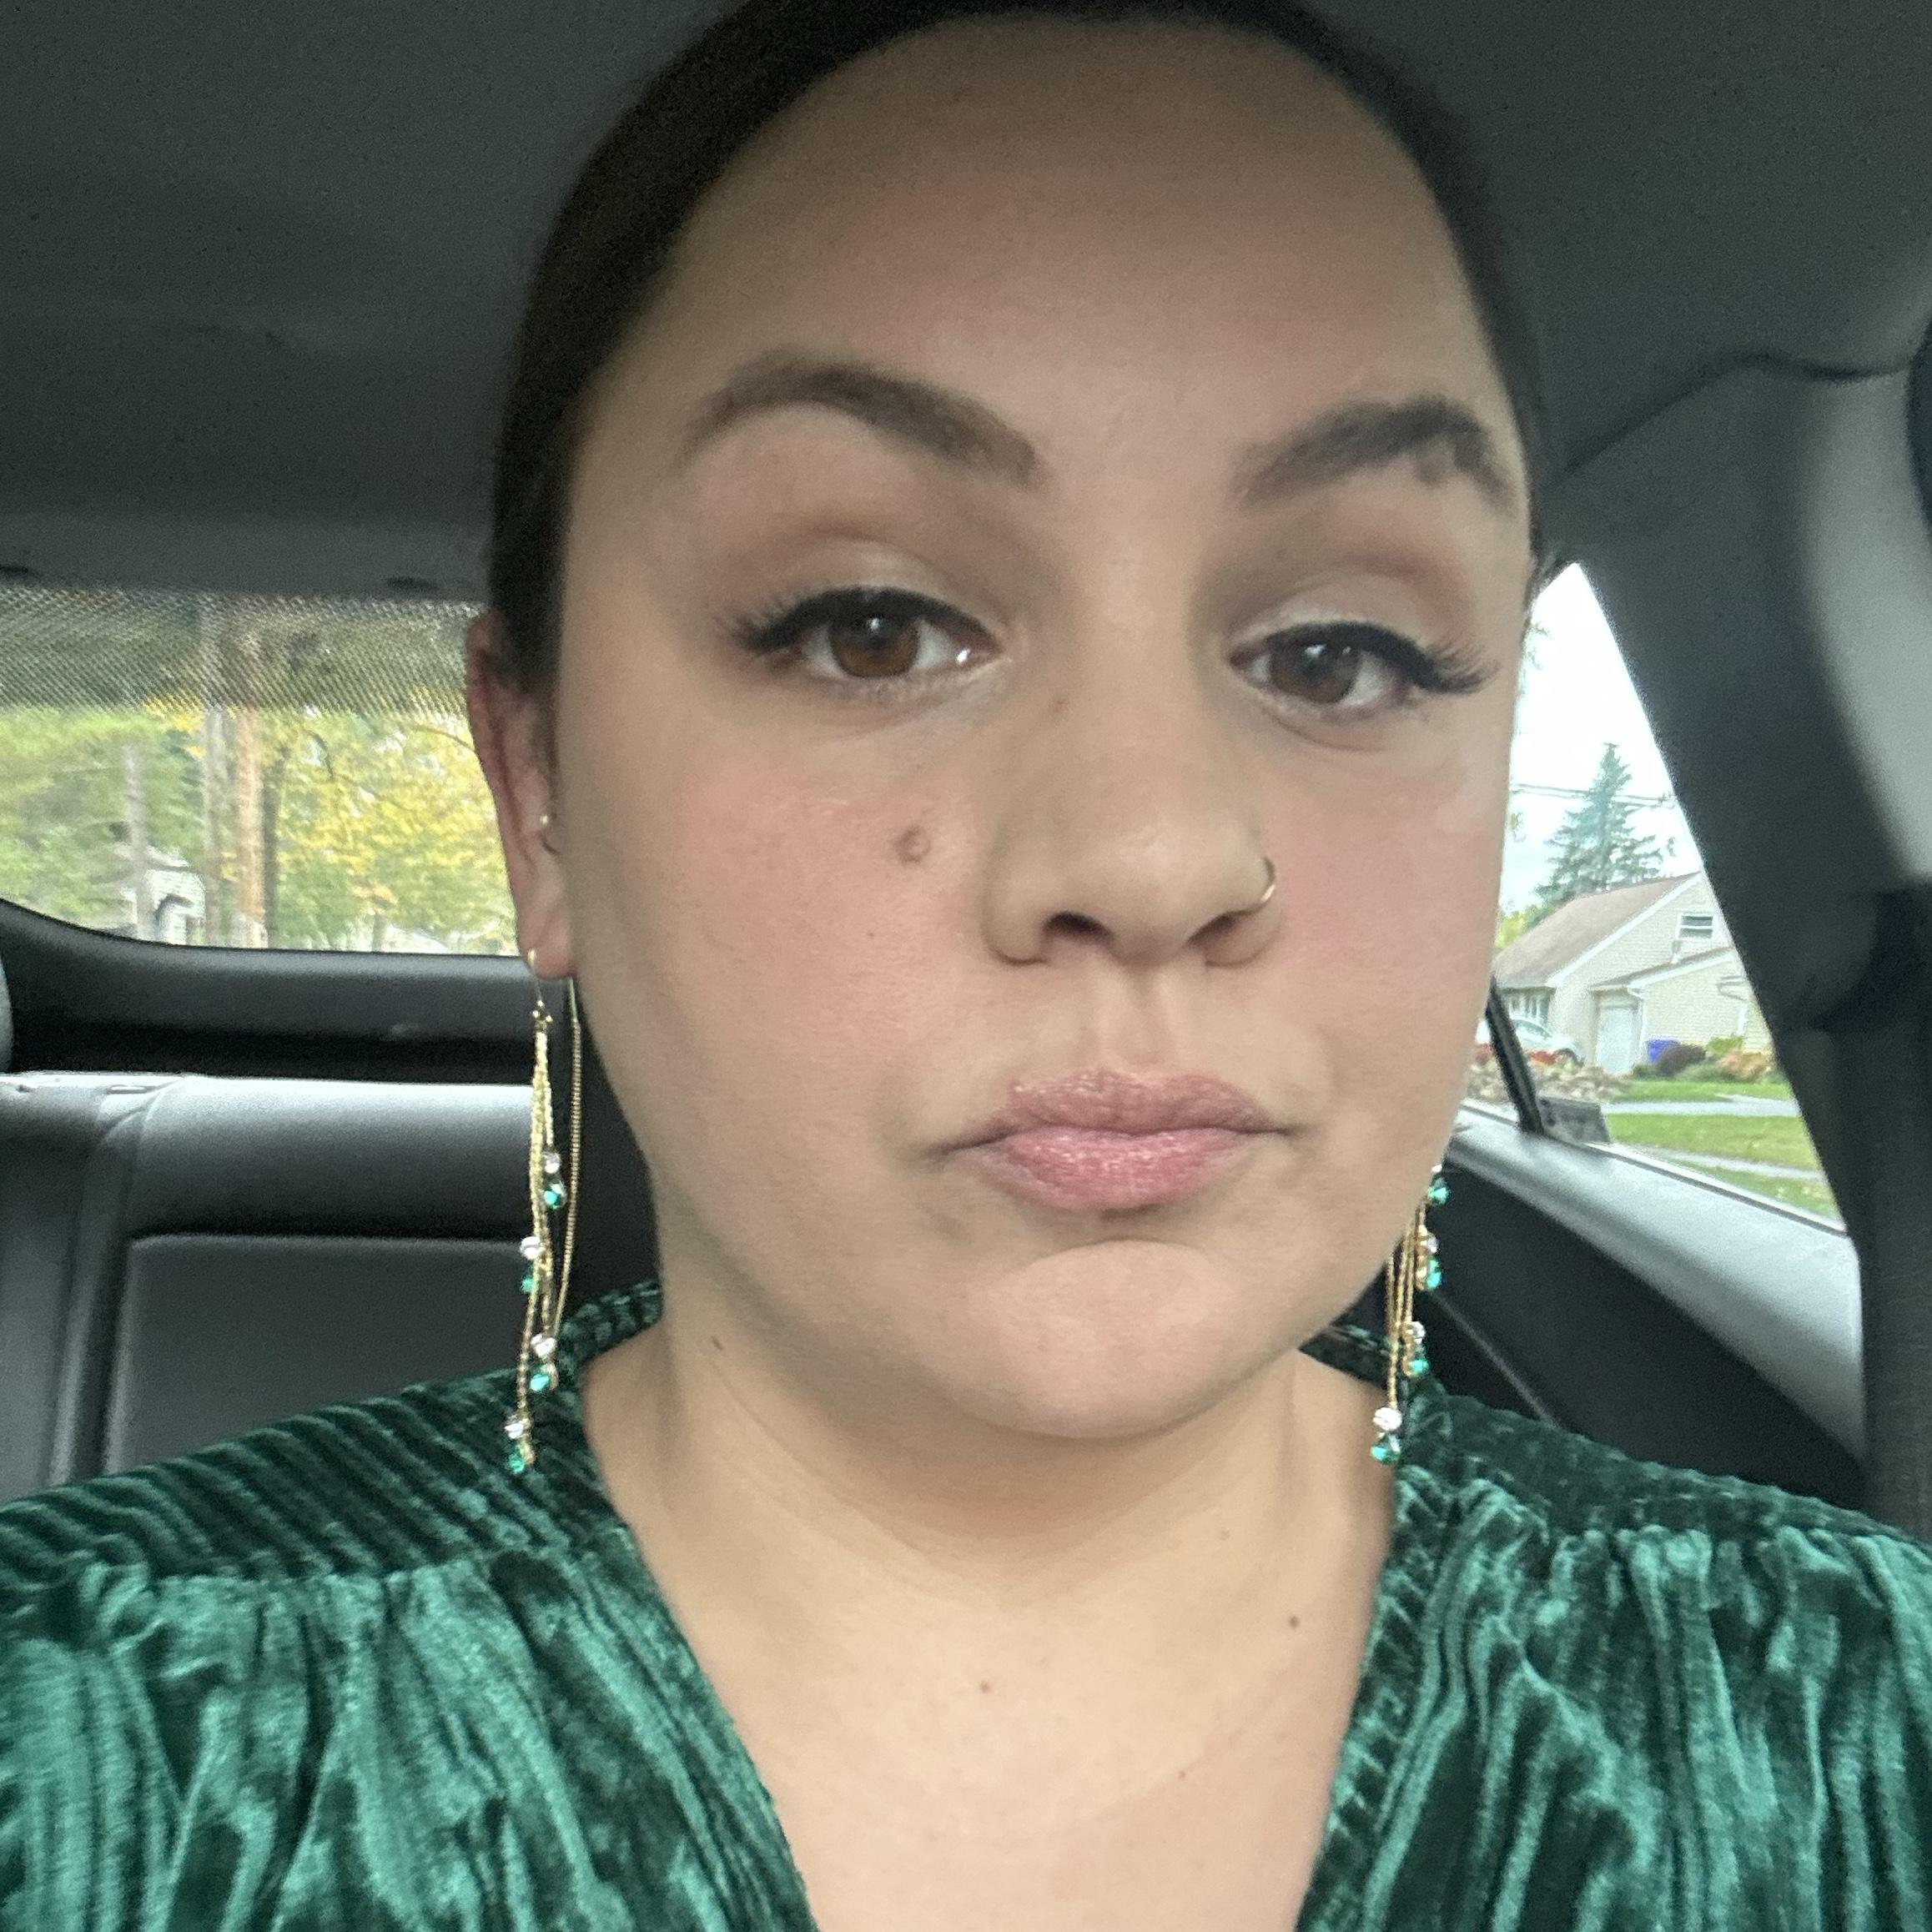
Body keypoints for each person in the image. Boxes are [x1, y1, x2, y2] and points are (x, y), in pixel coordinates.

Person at [3, 0, 1929, 1924]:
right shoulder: (81, 1748)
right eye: (870, 626)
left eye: (1341, 654)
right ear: (541, 796)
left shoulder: (1869, 1726)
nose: (1158, 859)